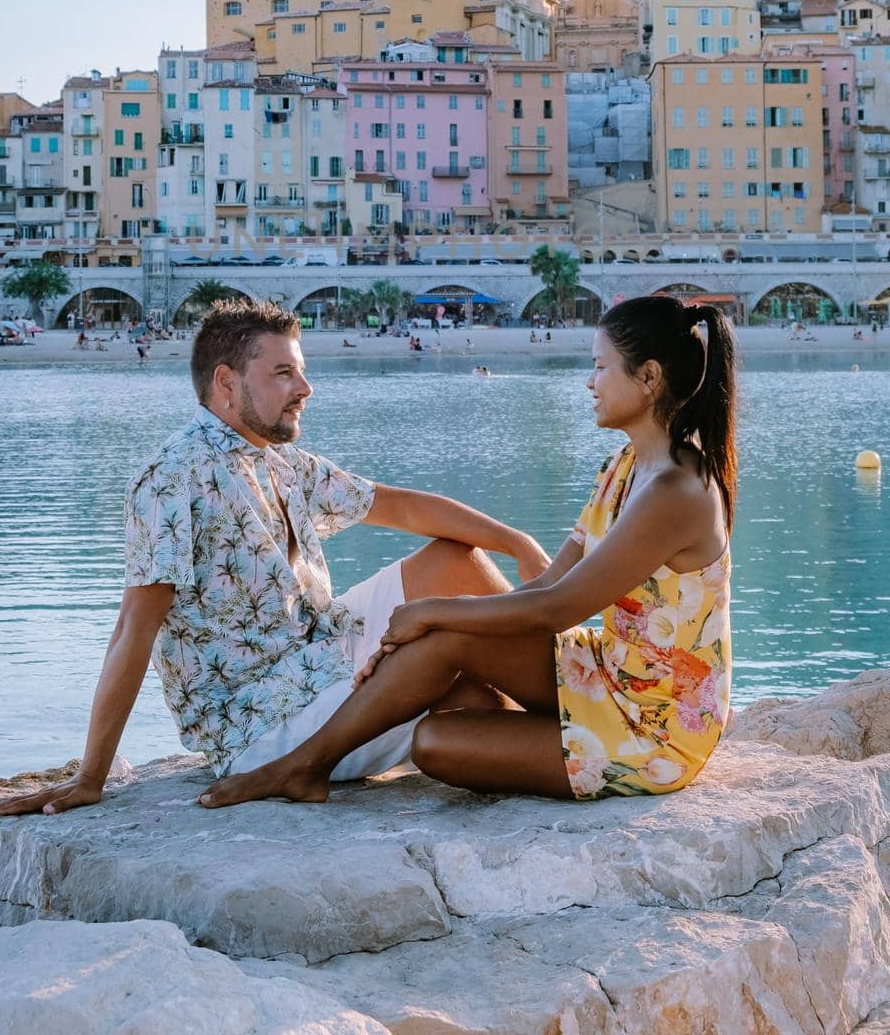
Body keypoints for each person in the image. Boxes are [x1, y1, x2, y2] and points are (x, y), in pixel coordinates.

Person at [0, 300, 548, 819]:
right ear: (226, 383)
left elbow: (399, 507)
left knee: (456, 560)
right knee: (470, 691)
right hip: (261, 721)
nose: (305, 388)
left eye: (299, 370)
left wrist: (518, 542)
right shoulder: (172, 479)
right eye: (283, 373)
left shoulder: (279, 461)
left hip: (315, 654)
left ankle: (580, 698)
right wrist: (91, 776)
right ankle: (580, 721)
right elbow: (134, 631)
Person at [198, 296, 735, 808]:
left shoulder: (676, 492)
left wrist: (427, 611)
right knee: (445, 640)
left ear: (649, 378)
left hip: (655, 726)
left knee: (434, 742)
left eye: (601, 368)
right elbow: (544, 587)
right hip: (609, 670)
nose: (589, 382)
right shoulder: (624, 467)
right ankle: (303, 767)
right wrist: (432, 627)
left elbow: (559, 609)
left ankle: (303, 763)